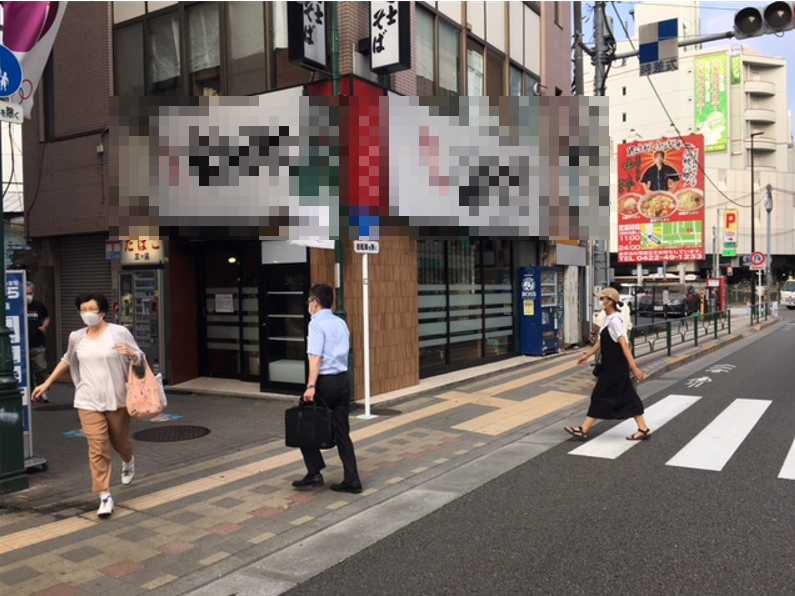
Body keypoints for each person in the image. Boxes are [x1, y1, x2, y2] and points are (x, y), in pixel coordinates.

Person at [31, 293, 143, 518]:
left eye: (92, 309)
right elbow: (67, 359)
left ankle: (128, 459)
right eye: (83, 310)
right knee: (97, 446)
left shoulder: (118, 332)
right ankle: (104, 496)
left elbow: (140, 357)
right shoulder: (76, 336)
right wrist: (47, 382)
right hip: (87, 399)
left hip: (117, 398)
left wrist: (131, 354)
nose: (87, 314)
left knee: (120, 442)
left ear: (102, 311)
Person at [291, 283, 362, 494]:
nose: (309, 306)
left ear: (315, 302)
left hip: (324, 382)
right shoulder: (340, 323)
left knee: (304, 423)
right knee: (342, 432)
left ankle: (314, 473)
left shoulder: (316, 324)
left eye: (309, 302)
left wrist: (311, 386)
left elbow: (316, 356)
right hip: (342, 382)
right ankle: (352, 479)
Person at [566, 287, 651, 441]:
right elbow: (602, 341)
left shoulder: (616, 321)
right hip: (612, 365)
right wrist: (587, 355)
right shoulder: (609, 319)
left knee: (600, 394)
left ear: (610, 301)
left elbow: (624, 345)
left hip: (615, 367)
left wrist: (634, 367)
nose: (601, 301)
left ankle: (584, 429)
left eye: (603, 298)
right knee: (627, 396)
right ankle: (643, 428)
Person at [26, 282, 51, 403]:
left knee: (41, 368)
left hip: (38, 344)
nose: (28, 296)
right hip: (23, 345)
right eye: (26, 294)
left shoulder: (38, 305)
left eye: (30, 293)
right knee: (27, 371)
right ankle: (30, 393)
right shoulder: (17, 306)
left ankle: (43, 391)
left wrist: (44, 326)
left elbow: (47, 317)